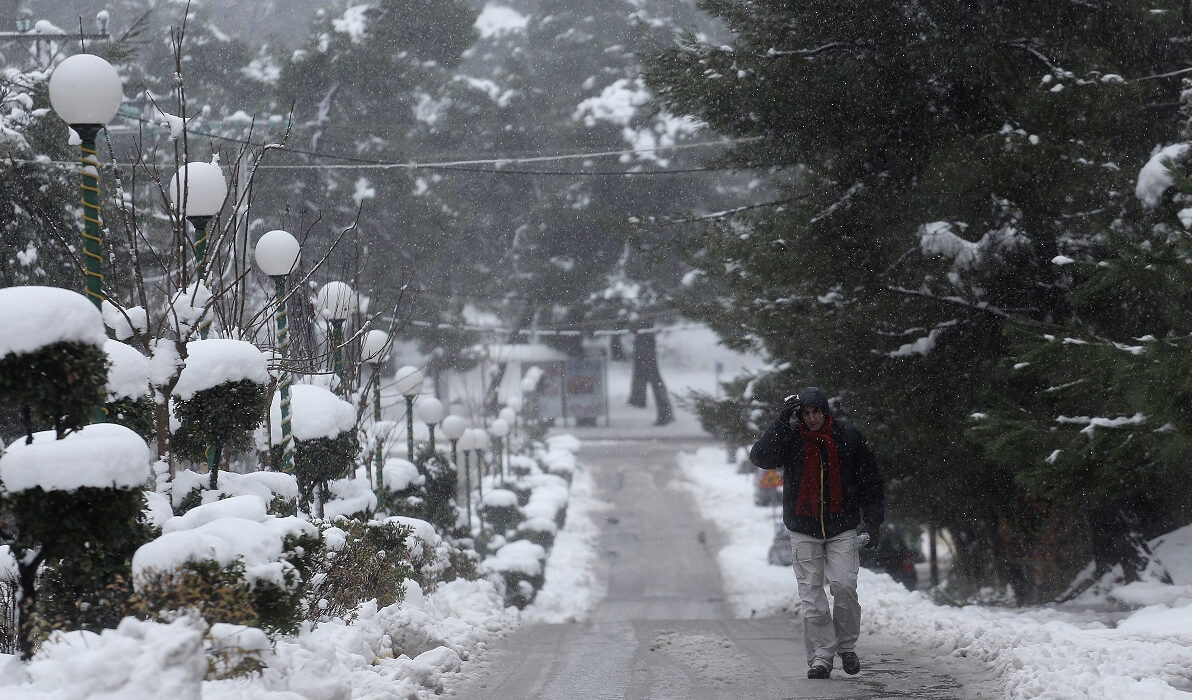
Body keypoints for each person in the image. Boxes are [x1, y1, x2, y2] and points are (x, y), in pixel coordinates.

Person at [749, 386, 885, 680]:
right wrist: (781, 422)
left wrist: (873, 522)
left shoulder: (847, 437)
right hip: (803, 528)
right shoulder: (791, 438)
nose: (811, 419)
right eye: (806, 413)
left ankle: (846, 647)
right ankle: (822, 657)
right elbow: (760, 457)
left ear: (826, 412)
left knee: (844, 586)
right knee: (812, 597)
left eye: (816, 412)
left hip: (842, 526)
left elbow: (871, 481)